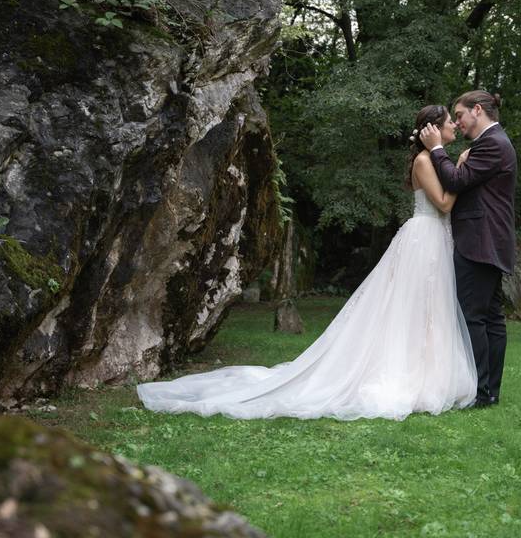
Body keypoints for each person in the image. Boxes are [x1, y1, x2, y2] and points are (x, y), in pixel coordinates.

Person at [137, 105, 477, 420]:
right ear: (434, 128)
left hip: (434, 239)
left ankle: (428, 372)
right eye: (450, 122)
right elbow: (445, 204)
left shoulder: (436, 159)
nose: (453, 126)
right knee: (411, 308)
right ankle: (406, 374)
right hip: (424, 238)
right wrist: (461, 170)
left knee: (429, 309)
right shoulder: (424, 160)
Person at [420, 90, 516, 407]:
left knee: (475, 317)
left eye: (459, 115)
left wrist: (436, 150)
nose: (458, 123)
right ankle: (488, 391)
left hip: (480, 241)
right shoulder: (491, 143)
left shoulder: (492, 143)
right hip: (489, 240)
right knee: (489, 318)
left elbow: (456, 182)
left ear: (477, 110)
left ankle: (480, 391)